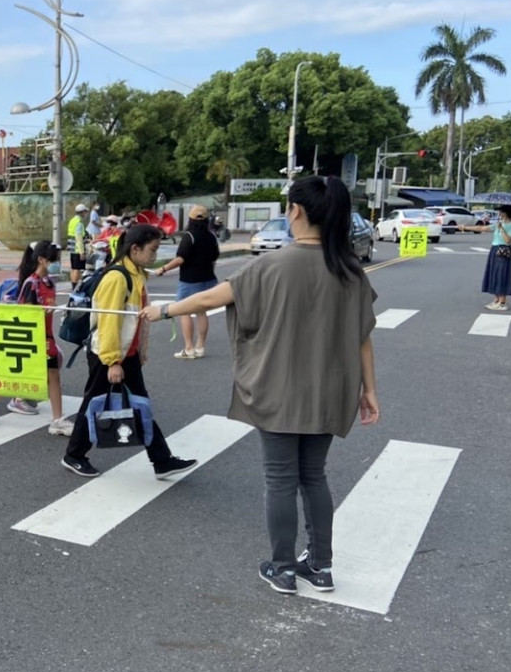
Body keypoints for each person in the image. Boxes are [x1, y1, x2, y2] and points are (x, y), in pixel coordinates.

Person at [141, 176, 380, 595]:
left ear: (297, 212)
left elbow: (208, 300)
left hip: (279, 389)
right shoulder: (349, 269)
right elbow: (362, 335)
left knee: (281, 479)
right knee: (314, 476)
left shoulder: (271, 265)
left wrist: (163, 311)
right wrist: (370, 390)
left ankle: (283, 567)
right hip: (331, 391)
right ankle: (320, 566)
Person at [61, 224, 198, 480]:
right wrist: (113, 361)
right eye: (152, 250)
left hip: (126, 354)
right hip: (108, 354)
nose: (155, 256)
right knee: (95, 402)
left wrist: (137, 353)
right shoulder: (118, 277)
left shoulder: (136, 273)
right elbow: (109, 322)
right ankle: (74, 455)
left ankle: (162, 460)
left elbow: (133, 322)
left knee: (139, 405)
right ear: (135, 249)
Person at [0, 240, 73, 435]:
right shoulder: (31, 283)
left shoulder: (49, 283)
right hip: (32, 339)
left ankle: (57, 419)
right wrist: (42, 311)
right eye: (54, 260)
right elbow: (25, 314)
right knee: (19, 374)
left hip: (47, 337)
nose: (57, 264)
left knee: (53, 376)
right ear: (42, 260)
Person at [152, 205, 220, 359]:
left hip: (190, 280)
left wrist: (163, 269)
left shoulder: (189, 236)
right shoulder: (211, 236)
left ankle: (188, 348)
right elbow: (215, 257)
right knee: (201, 312)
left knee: (184, 311)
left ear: (190, 219)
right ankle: (200, 347)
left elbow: (180, 259)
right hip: (208, 279)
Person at [464, 206, 511, 310]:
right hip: (494, 249)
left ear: (506, 213)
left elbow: (508, 241)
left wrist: (502, 229)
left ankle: (502, 302)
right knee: (494, 274)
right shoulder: (498, 224)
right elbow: (482, 228)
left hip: (504, 251)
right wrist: (465, 227)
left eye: (501, 212)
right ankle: (496, 300)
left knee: (502, 275)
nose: (499, 214)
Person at [66, 203, 89, 285]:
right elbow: (79, 238)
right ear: (82, 212)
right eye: (85, 212)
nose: (86, 214)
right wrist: (82, 252)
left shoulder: (72, 220)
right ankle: (74, 286)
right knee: (77, 269)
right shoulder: (79, 223)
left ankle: (73, 284)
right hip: (77, 249)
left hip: (72, 249)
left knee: (73, 268)